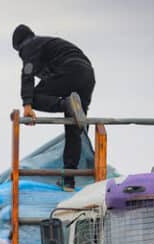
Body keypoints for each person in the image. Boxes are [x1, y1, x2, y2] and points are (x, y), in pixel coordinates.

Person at [12, 24, 96, 191]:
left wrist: (27, 104)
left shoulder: (29, 46)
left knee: (34, 96)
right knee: (74, 127)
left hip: (69, 71)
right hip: (87, 75)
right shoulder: (48, 44)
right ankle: (69, 180)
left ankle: (66, 104)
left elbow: (27, 73)